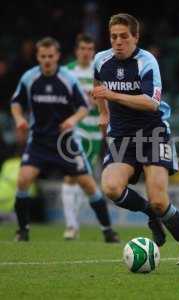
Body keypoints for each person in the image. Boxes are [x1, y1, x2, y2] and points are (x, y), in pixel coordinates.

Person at [92, 13, 179, 265]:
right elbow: (98, 85)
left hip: (152, 134)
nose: (118, 42)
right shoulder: (101, 60)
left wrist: (112, 96)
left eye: (123, 37)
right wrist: (103, 113)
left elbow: (151, 103)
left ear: (135, 37)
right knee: (110, 187)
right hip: (121, 136)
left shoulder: (146, 61)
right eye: (113, 37)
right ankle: (149, 215)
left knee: (160, 201)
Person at [10, 37, 119, 243]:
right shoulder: (29, 78)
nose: (47, 60)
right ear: (38, 57)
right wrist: (18, 119)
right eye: (43, 57)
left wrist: (71, 120)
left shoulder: (68, 78)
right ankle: (22, 230)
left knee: (88, 184)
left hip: (66, 142)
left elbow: (83, 106)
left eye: (51, 56)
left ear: (57, 56)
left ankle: (108, 230)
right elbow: (16, 102)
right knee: (23, 179)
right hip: (39, 142)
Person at [60, 34, 102, 240]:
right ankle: (71, 226)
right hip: (75, 131)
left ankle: (73, 224)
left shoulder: (100, 70)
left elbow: (110, 100)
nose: (86, 52)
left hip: (95, 134)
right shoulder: (67, 72)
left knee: (84, 180)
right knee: (72, 175)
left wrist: (99, 100)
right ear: (77, 51)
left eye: (90, 49)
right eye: (83, 48)